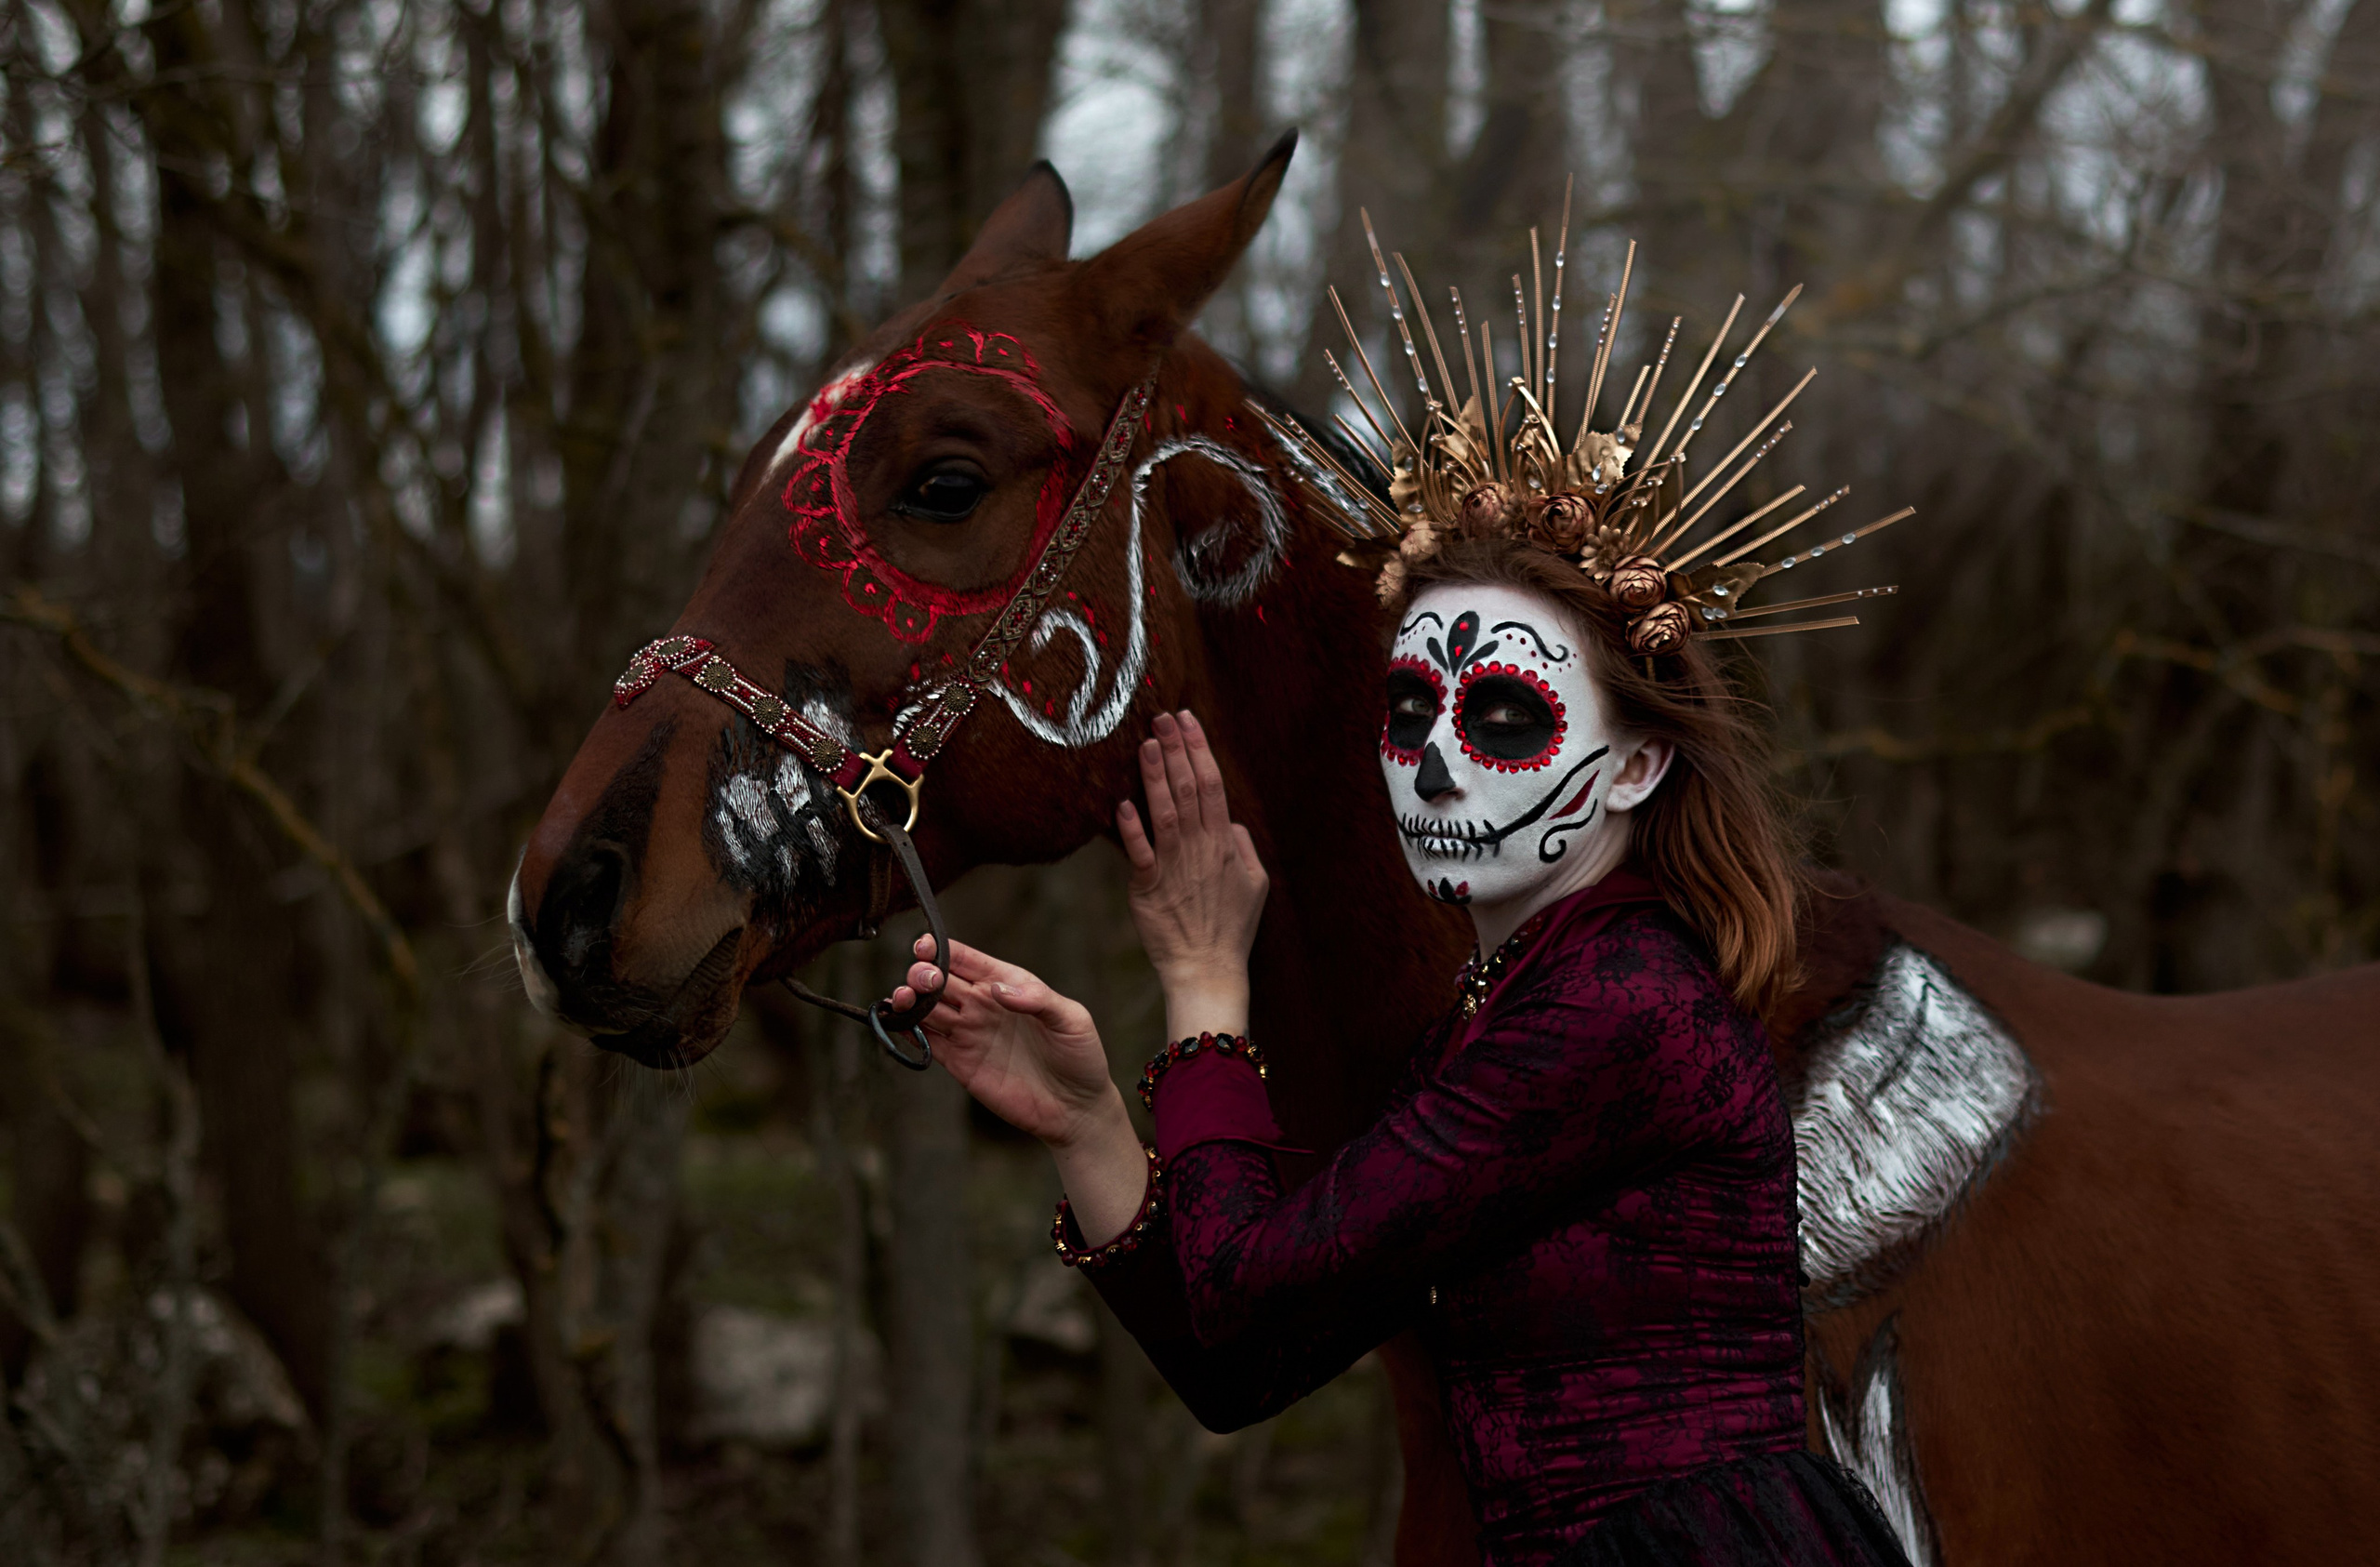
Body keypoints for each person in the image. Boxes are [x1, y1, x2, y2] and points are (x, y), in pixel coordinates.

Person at [882, 244, 1917, 1565]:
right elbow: (1240, 1357)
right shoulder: (1520, 1008)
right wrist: (1088, 1120)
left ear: (1639, 762)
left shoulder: (1615, 1010)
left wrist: (1207, 982)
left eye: (1500, 715)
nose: (1430, 755)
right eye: (1408, 706)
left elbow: (1246, 1305)